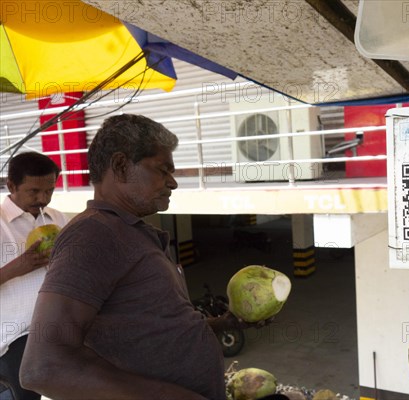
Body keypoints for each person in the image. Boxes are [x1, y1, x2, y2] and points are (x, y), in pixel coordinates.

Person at [19, 114, 261, 400]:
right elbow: (43, 368)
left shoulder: (129, 231)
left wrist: (224, 323)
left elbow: (152, 331)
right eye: (163, 170)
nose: (173, 183)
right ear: (121, 166)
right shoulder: (93, 234)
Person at [0, 152, 69, 400]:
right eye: (33, 191)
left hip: (60, 329)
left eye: (49, 191)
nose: (43, 198)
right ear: (11, 186)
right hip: (14, 340)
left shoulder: (58, 219)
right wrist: (15, 268)